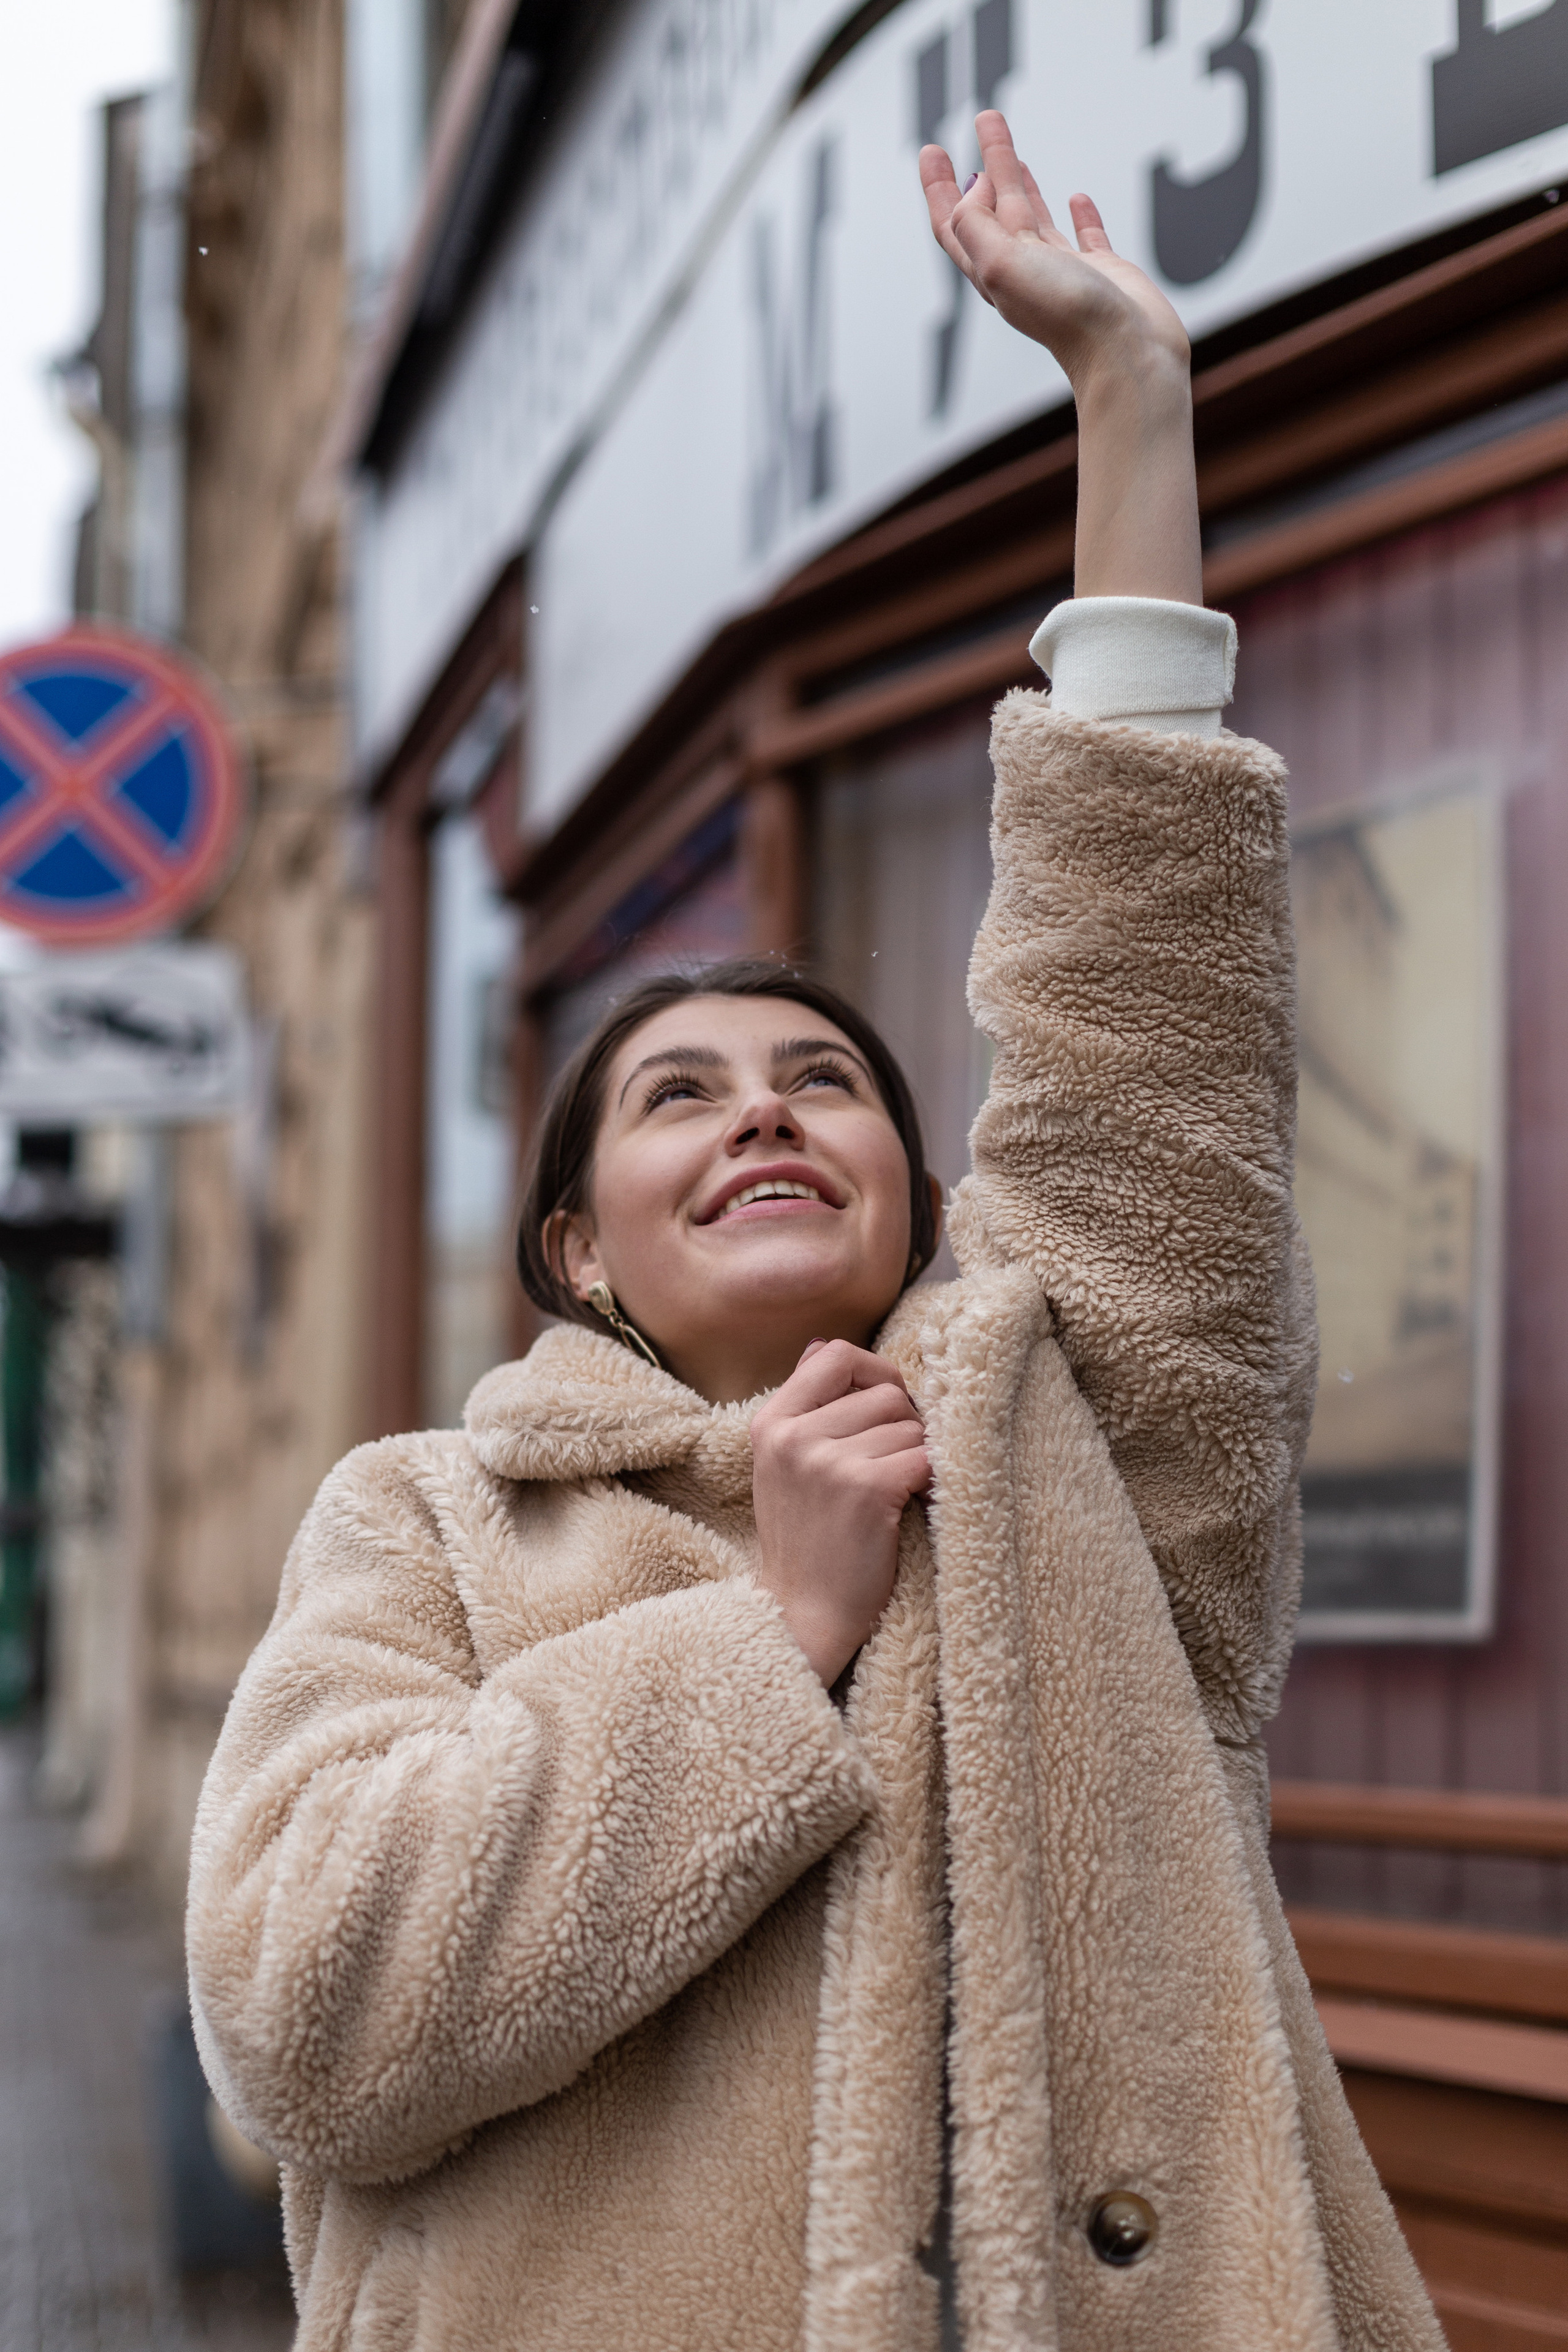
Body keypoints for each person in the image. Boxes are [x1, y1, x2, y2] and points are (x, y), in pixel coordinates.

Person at [187, 115, 1444, 2352]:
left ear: (915, 1194)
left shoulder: (1076, 1458)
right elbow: (303, 2018)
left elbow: (1140, 1045)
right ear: (579, 1250)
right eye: (682, 1095)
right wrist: (770, 1632)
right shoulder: (427, 1525)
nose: (763, 1107)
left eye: (824, 1081)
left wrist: (1133, 410)